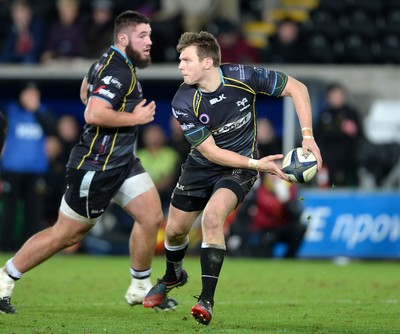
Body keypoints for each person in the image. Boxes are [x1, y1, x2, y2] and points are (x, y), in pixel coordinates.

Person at [0, 10, 174, 315]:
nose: (149, 42)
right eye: (142, 36)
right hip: (97, 167)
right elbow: (92, 112)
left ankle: (139, 286)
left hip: (122, 162)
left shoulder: (107, 61)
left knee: (150, 216)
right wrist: (135, 117)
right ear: (124, 38)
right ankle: (4, 278)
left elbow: (85, 91)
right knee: (66, 234)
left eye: (149, 35)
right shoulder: (118, 71)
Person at [143, 31, 322, 325]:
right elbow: (211, 152)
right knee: (174, 231)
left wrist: (307, 138)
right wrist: (258, 163)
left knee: (213, 218)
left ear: (208, 62)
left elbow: (298, 89)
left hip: (239, 169)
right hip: (204, 164)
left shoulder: (243, 75)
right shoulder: (183, 100)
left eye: (186, 60)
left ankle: (206, 300)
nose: (180, 66)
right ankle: (173, 276)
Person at [0, 82, 57, 252]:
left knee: (33, 211)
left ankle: (29, 249)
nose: (31, 98)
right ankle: (5, 245)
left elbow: (52, 130)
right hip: (12, 169)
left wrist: (37, 108)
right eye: (28, 94)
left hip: (36, 170)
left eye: (34, 95)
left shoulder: (43, 113)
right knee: (9, 211)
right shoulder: (11, 111)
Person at [315, 83, 363, 187]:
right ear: (328, 98)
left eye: (340, 95)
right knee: (326, 185)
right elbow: (319, 135)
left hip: (347, 160)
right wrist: (340, 130)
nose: (337, 98)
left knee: (346, 186)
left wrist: (353, 130)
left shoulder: (351, 113)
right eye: (334, 95)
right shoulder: (324, 115)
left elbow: (359, 134)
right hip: (327, 160)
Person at [136, 124, 180, 214]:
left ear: (162, 136)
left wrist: (149, 191)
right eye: (150, 134)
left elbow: (168, 180)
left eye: (156, 134)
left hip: (163, 196)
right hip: (140, 197)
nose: (153, 138)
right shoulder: (138, 155)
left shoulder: (170, 154)